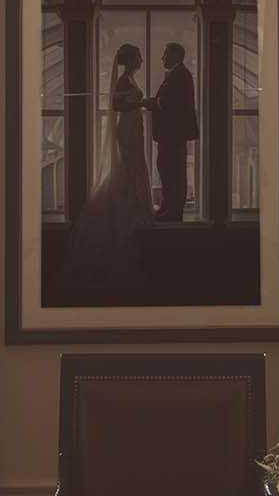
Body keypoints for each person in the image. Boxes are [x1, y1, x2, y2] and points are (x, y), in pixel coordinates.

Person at [58, 42, 155, 301]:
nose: (142, 61)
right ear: (131, 60)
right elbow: (116, 105)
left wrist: (139, 104)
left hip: (133, 126)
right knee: (129, 166)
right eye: (139, 58)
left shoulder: (128, 80)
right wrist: (140, 103)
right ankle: (130, 208)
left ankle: (135, 204)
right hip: (128, 127)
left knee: (134, 166)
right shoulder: (124, 81)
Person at [143, 41, 199, 221]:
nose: (162, 58)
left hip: (173, 136)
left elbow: (172, 103)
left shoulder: (180, 75)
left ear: (175, 55)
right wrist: (156, 101)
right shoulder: (179, 74)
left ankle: (173, 212)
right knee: (168, 171)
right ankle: (169, 209)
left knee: (172, 172)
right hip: (172, 136)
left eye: (165, 54)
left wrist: (154, 103)